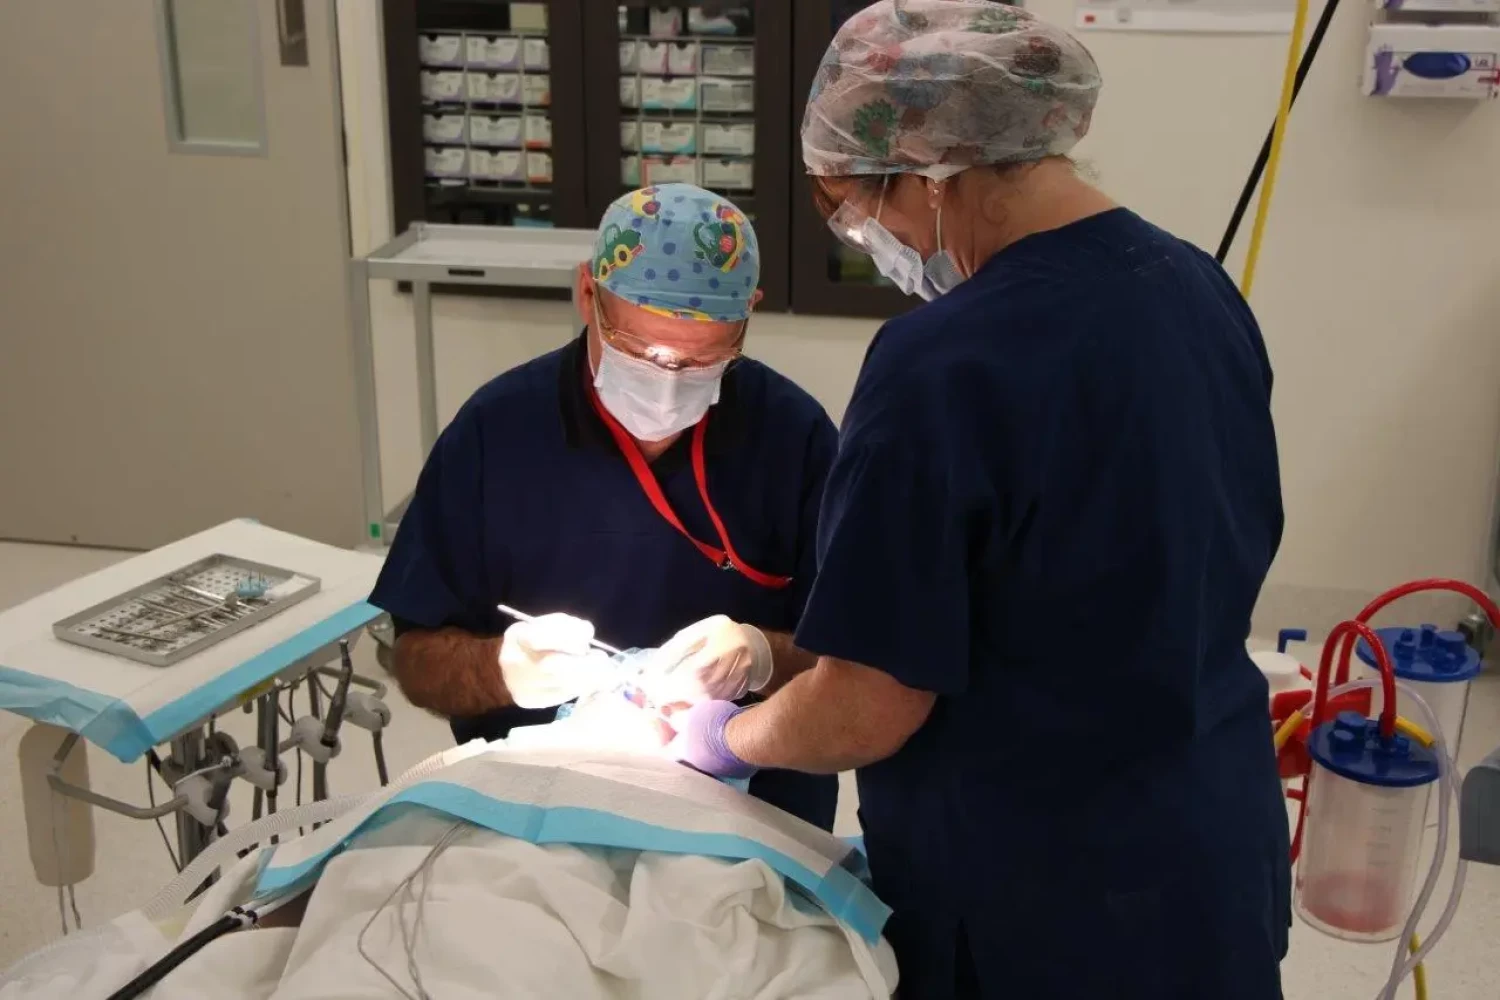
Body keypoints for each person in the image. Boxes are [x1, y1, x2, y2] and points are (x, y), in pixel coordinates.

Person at [668, 3, 1291, 997]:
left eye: (856, 208)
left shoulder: (942, 364)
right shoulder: (1198, 293)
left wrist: (722, 739)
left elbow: (868, 705)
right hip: (1209, 856)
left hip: (1040, 904)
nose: (872, 240)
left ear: (925, 170)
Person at [370, 183, 839, 830]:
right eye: (641, 351)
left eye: (703, 360)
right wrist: (499, 669)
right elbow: (417, 658)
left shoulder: (794, 437)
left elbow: (856, 662)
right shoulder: (497, 433)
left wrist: (763, 654)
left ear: (749, 314)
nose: (669, 378)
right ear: (587, 294)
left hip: (753, 820)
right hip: (540, 811)